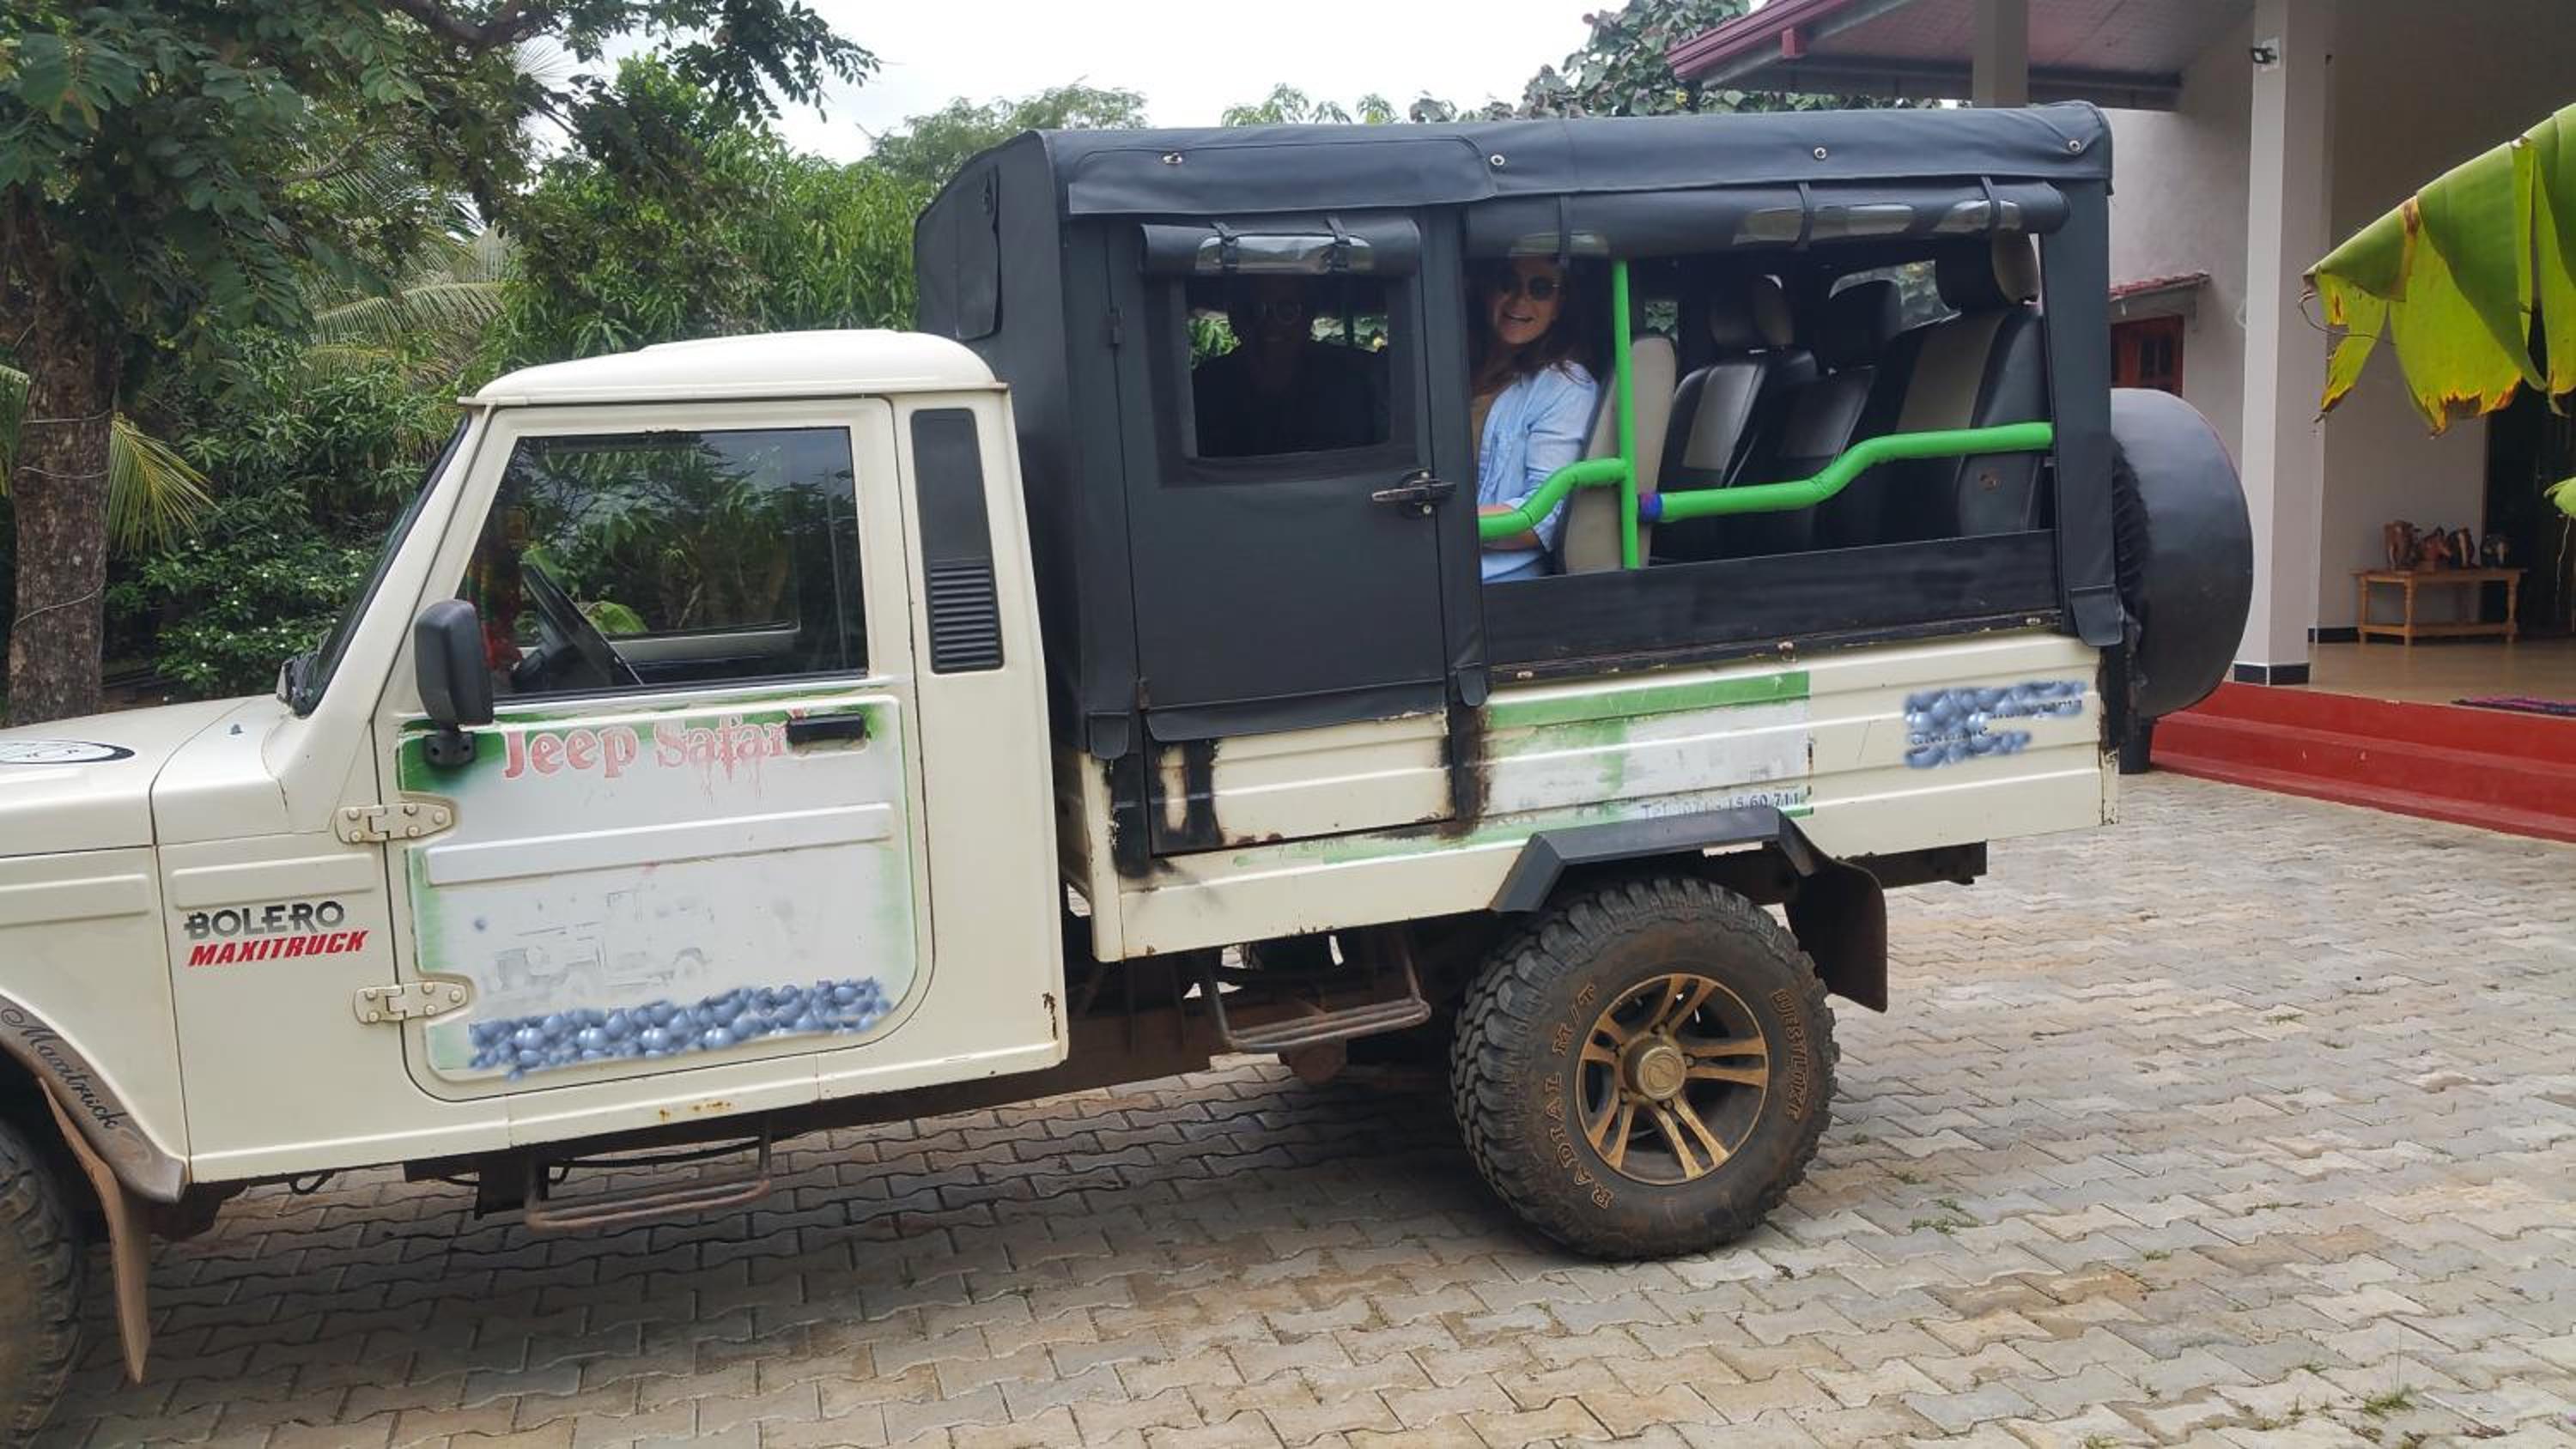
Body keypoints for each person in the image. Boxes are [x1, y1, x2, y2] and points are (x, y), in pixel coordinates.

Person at [1470, 256, 1597, 582]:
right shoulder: (1458, 367)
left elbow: (1542, 519)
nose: (1519, 300)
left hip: (1493, 583)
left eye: (1540, 289)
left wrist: (1437, 527)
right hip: (1434, 564)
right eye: (1507, 283)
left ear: (1558, 306)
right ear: (1488, 290)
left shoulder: (1565, 386)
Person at [1191, 276, 1377, 457]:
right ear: (1235, 319)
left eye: (1287, 310)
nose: (1270, 324)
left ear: (1308, 318)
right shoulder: (1205, 388)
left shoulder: (1344, 381)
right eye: (1253, 311)